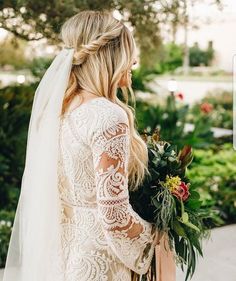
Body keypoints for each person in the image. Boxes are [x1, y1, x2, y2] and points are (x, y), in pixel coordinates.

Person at [3, 10, 162, 281]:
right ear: (110, 56)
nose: (134, 61)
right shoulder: (108, 116)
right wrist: (156, 239)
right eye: (129, 53)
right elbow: (114, 216)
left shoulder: (58, 110)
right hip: (101, 262)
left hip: (59, 255)